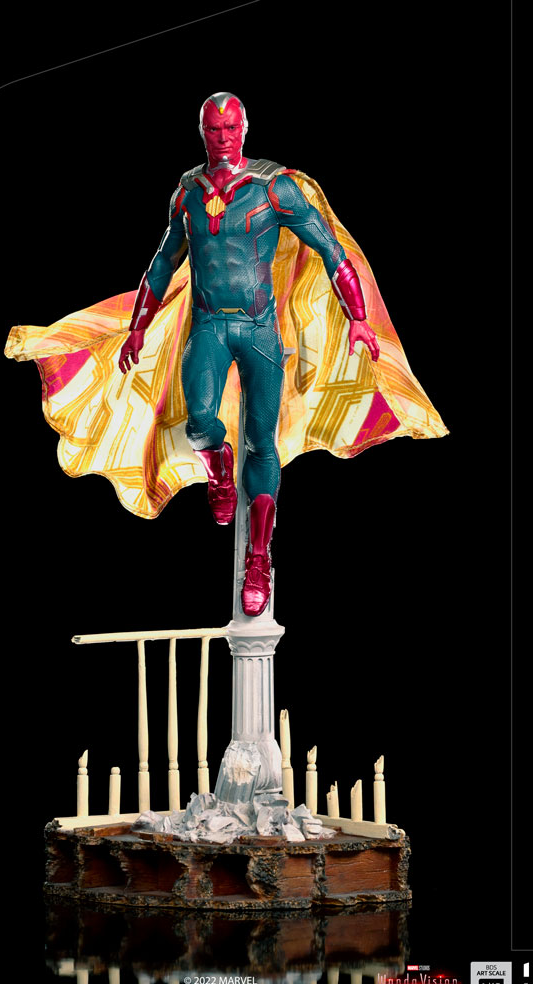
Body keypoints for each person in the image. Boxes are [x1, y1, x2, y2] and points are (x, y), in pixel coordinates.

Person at [118, 92, 381, 617]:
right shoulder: (187, 192)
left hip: (260, 331)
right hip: (209, 326)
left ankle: (259, 557)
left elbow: (330, 249)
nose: (223, 138)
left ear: (245, 128)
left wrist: (357, 316)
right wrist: (137, 327)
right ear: (202, 132)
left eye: (231, 128)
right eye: (213, 130)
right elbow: (163, 262)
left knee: (263, 443)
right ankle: (218, 467)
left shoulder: (273, 187)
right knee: (198, 421)